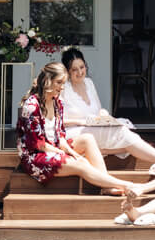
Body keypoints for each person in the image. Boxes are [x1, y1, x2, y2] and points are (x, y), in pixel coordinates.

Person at [15, 62, 131, 194]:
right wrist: (67, 155)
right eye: (59, 82)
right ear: (47, 81)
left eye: (63, 83)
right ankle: (126, 185)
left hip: (54, 147)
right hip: (35, 156)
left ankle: (106, 186)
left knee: (87, 139)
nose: (62, 87)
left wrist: (72, 152)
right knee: (81, 164)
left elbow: (60, 136)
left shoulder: (57, 102)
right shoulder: (31, 106)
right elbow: (40, 145)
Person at [58, 47, 155, 166]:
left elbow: (99, 109)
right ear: (68, 71)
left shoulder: (89, 83)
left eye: (82, 67)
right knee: (122, 134)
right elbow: (56, 121)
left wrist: (103, 113)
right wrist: (81, 122)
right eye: (74, 69)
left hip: (93, 127)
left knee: (124, 128)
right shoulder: (63, 89)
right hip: (75, 131)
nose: (80, 72)